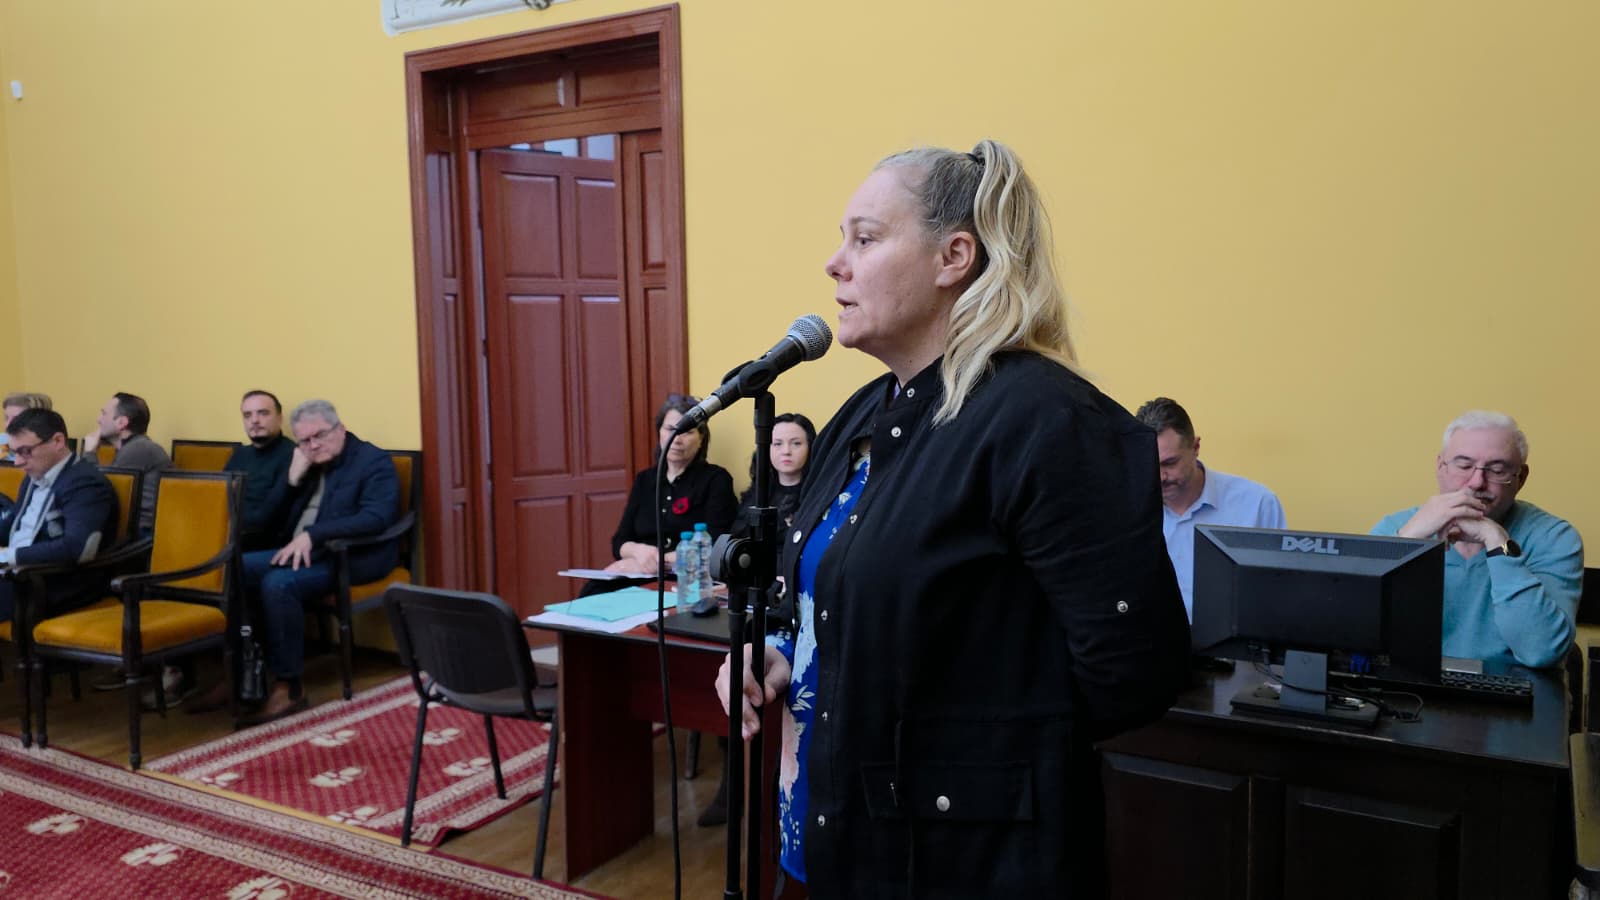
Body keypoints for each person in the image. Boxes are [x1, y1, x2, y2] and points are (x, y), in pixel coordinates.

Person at [717, 140, 1191, 896]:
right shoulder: (861, 416)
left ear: (954, 258)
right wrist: (787, 654)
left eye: (865, 239)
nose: (835, 264)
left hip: (959, 861)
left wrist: (966, 759)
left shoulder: (1044, 420)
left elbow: (1134, 671)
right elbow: (831, 602)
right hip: (830, 834)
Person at [1371, 410, 1581, 668]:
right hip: (1408, 683)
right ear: (1440, 467)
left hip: (1509, 687)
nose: (1477, 482)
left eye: (1497, 470)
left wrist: (1497, 542)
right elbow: (1352, 630)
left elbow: (1541, 651)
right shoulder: (1396, 527)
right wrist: (1408, 541)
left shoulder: (1554, 537)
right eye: (1464, 465)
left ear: (1521, 478)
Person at [237, 399, 400, 723]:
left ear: (340, 429)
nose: (313, 446)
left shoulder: (373, 461)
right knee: (235, 569)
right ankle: (243, 672)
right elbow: (269, 520)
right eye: (304, 441)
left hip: (352, 557)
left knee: (278, 584)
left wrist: (315, 535)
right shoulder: (308, 463)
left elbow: (377, 517)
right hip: (303, 552)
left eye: (319, 436)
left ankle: (289, 686)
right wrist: (292, 480)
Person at [1134, 397, 1287, 620]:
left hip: (1233, 639)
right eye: (1149, 464)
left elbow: (1276, 592)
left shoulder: (1257, 504)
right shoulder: (1130, 510)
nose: (1160, 476)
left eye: (1170, 463)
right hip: (1155, 638)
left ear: (1195, 447)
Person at [0, 408, 119, 626]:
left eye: (25, 451)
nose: (17, 462)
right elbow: (15, 526)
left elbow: (77, 548)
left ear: (57, 441)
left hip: (54, 582)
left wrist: (8, 556)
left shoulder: (85, 483)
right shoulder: (33, 476)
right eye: (14, 452)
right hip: (17, 574)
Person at [604, 394, 738, 577]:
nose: (676, 439)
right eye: (670, 429)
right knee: (592, 590)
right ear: (659, 432)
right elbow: (619, 541)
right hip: (637, 571)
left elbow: (717, 543)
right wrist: (638, 552)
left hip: (688, 576)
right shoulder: (645, 480)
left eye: (687, 432)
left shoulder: (716, 480)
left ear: (701, 439)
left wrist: (658, 562)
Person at [83, 392, 172, 537]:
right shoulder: (133, 447)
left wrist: (90, 453)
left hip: (141, 536)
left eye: (104, 414)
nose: (98, 420)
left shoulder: (139, 449)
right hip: (131, 530)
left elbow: (99, 495)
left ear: (122, 423)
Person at [224, 390, 297, 552]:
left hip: (262, 542)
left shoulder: (294, 455)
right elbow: (221, 499)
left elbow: (271, 517)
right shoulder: (240, 454)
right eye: (247, 415)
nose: (254, 420)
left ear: (279, 418)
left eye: (263, 413)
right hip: (227, 534)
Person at [729, 412, 816, 540]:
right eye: (777, 444)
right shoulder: (756, 494)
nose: (786, 451)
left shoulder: (819, 494)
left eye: (796, 443)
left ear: (810, 446)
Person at [1, 392, 53, 465]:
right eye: (6, 418)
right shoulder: (2, 440)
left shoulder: (47, 449)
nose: (8, 425)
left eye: (16, 419)